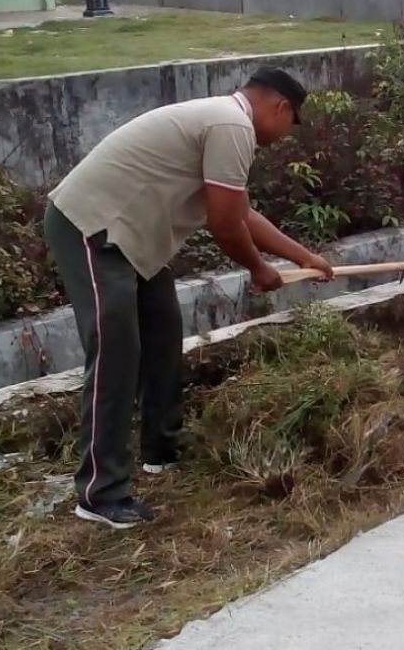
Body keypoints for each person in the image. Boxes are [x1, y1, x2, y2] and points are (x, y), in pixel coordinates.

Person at [43, 67, 334, 529]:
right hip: (90, 229)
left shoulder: (223, 123)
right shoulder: (232, 126)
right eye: (290, 122)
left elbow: (242, 213)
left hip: (132, 242)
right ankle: (100, 493)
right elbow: (224, 223)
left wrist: (305, 257)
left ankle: (160, 448)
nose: (284, 134)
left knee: (161, 336)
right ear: (280, 107)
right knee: (116, 352)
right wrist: (261, 270)